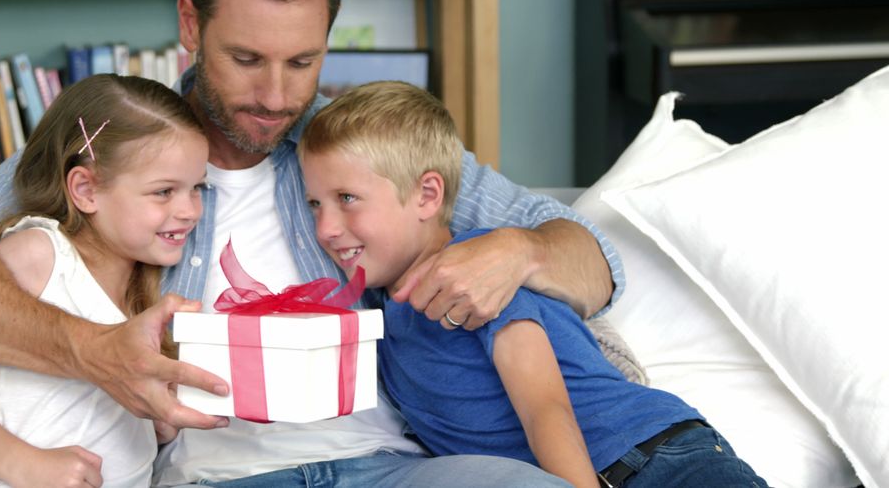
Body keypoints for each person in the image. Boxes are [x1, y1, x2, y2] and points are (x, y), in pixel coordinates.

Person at [0, 0, 624, 485]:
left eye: (303, 61)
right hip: (216, 474)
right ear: (190, 25)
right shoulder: (122, 151)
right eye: (246, 59)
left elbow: (598, 262)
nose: (276, 96)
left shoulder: (357, 144)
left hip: (390, 464)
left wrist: (522, 249)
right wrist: (88, 351)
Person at [298, 80, 768, 488]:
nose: (326, 228)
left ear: (426, 195)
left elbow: (545, 408)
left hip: (653, 458)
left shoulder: (480, 272)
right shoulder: (379, 313)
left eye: (347, 199)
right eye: (315, 204)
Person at [0, 74, 210, 487]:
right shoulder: (38, 256)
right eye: (164, 192)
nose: (190, 210)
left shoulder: (146, 289)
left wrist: (154, 427)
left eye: (197, 187)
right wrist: (26, 465)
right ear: (86, 189)